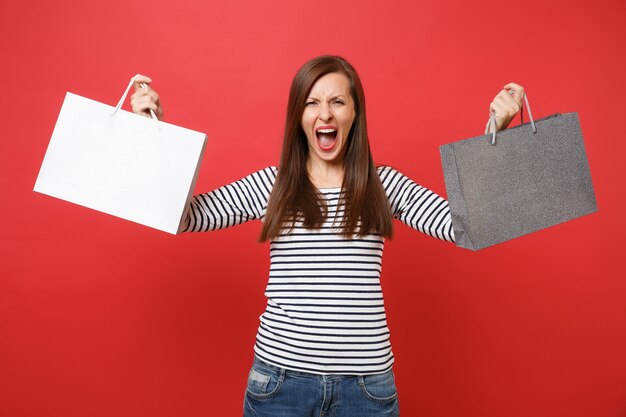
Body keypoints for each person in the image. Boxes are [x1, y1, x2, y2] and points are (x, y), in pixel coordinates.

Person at [130, 55, 524, 417]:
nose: (325, 114)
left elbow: (466, 226)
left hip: (367, 392)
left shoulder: (383, 185)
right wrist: (149, 132)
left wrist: (495, 134)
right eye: (312, 102)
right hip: (280, 386)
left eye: (337, 101)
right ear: (298, 116)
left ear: (355, 113)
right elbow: (183, 217)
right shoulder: (273, 185)